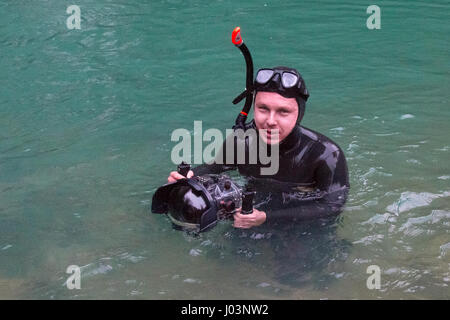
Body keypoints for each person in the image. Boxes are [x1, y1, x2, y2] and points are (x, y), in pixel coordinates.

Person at [167, 66, 349, 229]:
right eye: (263, 109)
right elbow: (213, 168)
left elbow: (332, 206)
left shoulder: (325, 154)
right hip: (248, 215)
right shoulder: (242, 142)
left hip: (303, 226)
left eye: (283, 112)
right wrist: (189, 178)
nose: (270, 121)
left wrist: (267, 218)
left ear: (299, 114)